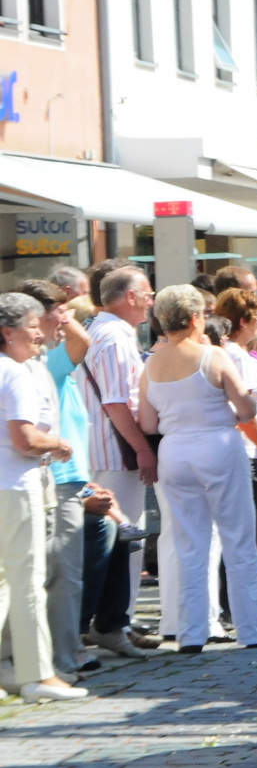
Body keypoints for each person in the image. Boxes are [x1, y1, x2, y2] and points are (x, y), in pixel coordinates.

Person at [137, 285, 257, 653]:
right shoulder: (213, 356)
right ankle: (252, 630)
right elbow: (246, 411)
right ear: (196, 318)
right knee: (238, 538)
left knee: (189, 543)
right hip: (218, 445)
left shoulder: (151, 364)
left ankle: (191, 633)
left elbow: (147, 423)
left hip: (175, 450)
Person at [0, 292, 88, 701]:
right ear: (8, 332)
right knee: (28, 580)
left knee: (4, 581)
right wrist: (56, 443)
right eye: (32, 326)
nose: (39, 334)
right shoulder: (15, 372)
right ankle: (37, 674)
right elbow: (25, 438)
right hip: (16, 485)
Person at [14, 279, 103, 679]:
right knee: (59, 575)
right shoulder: (39, 361)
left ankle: (57, 655)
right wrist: (65, 319)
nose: (64, 317)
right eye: (57, 311)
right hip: (54, 474)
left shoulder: (40, 360)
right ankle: (61, 659)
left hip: (61, 474)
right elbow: (85, 342)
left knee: (50, 574)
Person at [76, 265, 160, 658]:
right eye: (146, 294)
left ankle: (113, 621)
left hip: (106, 448)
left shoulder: (104, 332)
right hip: (113, 451)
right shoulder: (112, 337)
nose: (150, 301)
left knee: (120, 538)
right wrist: (142, 448)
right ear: (129, 297)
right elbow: (115, 401)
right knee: (125, 537)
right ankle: (112, 624)